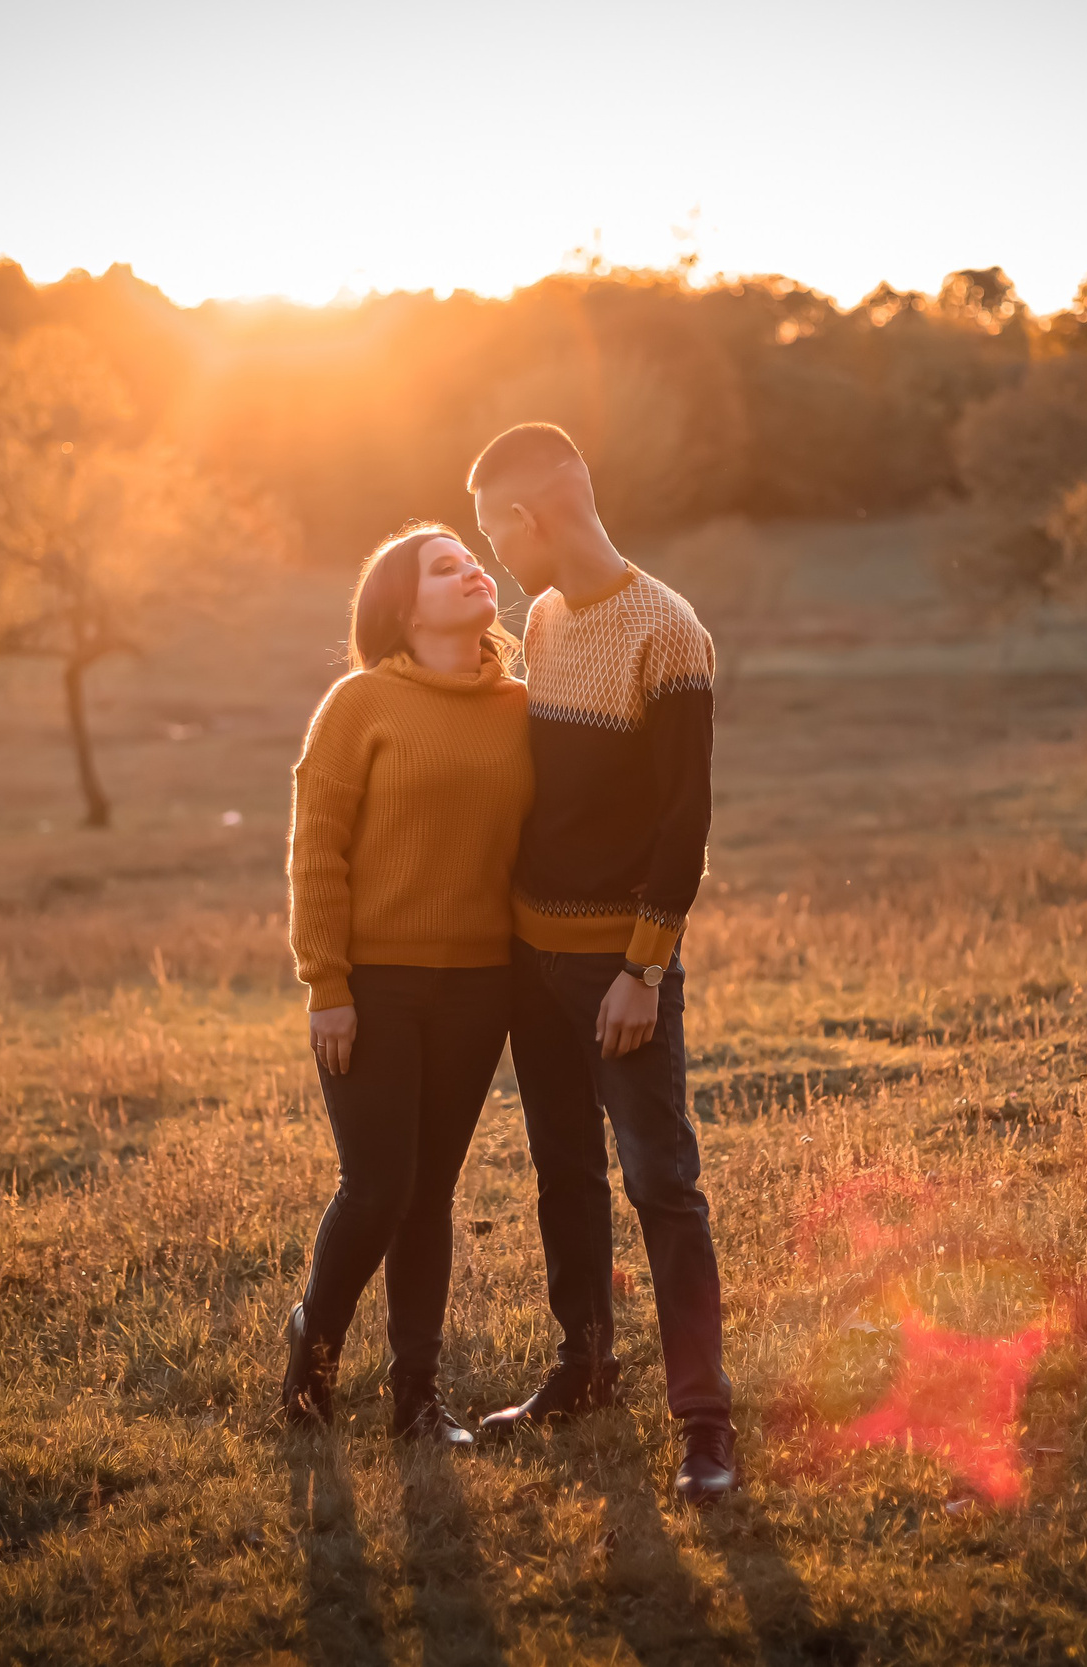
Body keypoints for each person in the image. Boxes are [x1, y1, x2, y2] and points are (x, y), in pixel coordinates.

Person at [465, 423, 737, 1506]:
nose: (494, 559)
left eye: (496, 532)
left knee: (661, 1183)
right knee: (561, 1168)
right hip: (531, 963)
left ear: (530, 518)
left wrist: (641, 970)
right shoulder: (541, 617)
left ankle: (704, 1422)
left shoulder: (669, 635)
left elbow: (684, 828)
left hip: (615, 970)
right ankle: (582, 1368)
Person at [279, 523, 531, 1445]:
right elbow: (320, 853)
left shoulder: (520, 707)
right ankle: (314, 1349)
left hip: (479, 987)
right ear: (401, 604)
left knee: (430, 1194)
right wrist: (327, 983)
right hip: (374, 987)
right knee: (379, 1185)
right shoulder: (359, 703)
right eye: (442, 564)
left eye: (471, 557)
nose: (471, 568)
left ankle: (417, 1397)